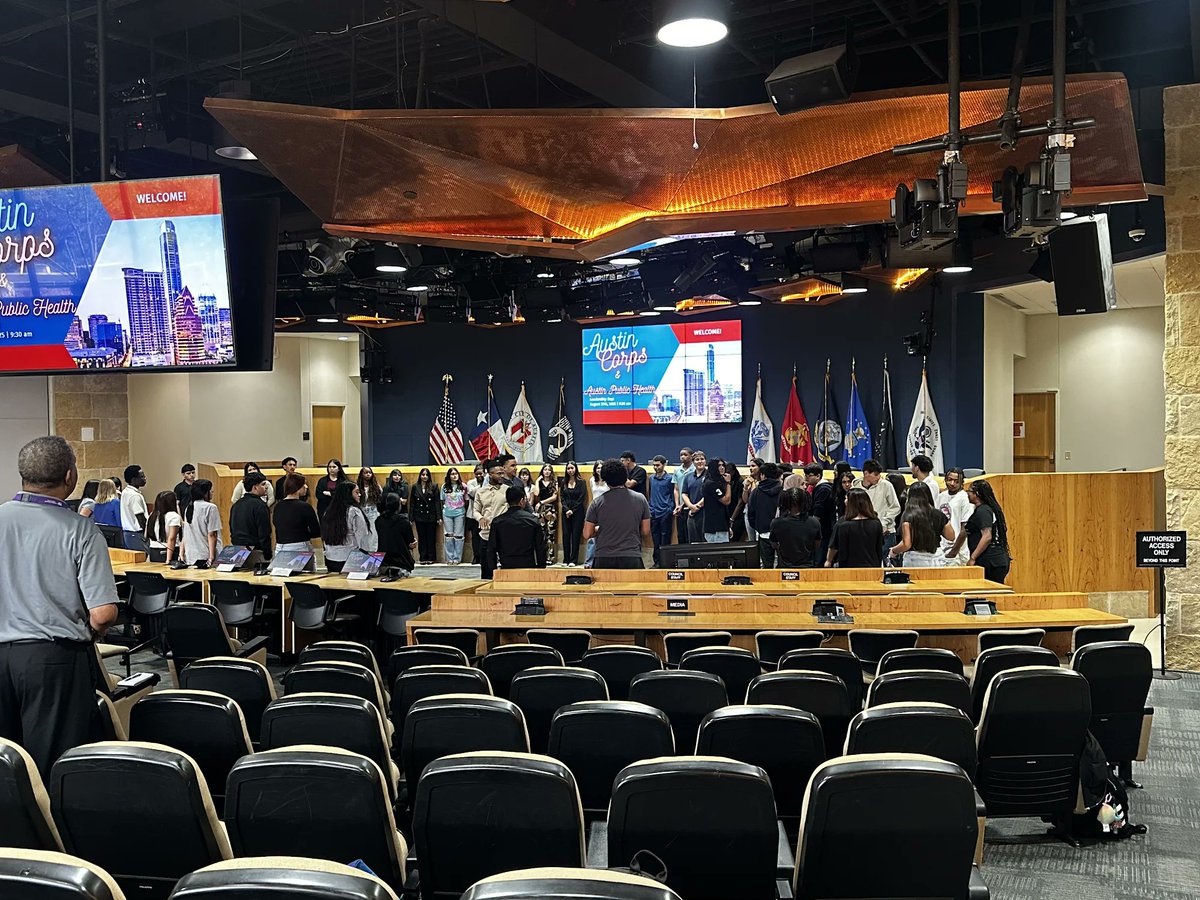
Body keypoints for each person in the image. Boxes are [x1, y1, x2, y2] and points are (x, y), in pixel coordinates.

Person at [0, 436, 119, 775]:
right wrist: (92, 633)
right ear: (70, 476)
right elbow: (103, 613)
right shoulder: (81, 531)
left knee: (6, 762)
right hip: (52, 661)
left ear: (23, 475)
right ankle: (53, 829)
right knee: (53, 764)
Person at [584, 459, 651, 569]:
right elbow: (645, 531)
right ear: (625, 476)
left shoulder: (597, 503)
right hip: (631, 556)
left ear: (605, 480)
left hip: (603, 556)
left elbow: (587, 534)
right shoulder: (641, 499)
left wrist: (600, 529)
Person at [888, 482, 955, 568]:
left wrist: (894, 550)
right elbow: (951, 536)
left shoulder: (908, 515)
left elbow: (906, 544)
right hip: (936, 558)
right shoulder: (939, 514)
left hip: (915, 560)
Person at [958, 480, 1012, 583]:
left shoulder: (983, 511)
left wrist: (973, 558)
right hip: (996, 560)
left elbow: (987, 536)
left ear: (976, 494)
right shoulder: (986, 509)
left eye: (969, 491)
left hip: (990, 562)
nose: (967, 494)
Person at [321, 481, 377, 573]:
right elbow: (362, 537)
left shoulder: (328, 512)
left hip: (330, 558)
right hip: (350, 559)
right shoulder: (354, 511)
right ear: (348, 494)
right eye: (356, 492)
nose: (359, 495)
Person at [488, 485, 547, 570]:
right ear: (522, 501)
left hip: (506, 566)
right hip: (528, 566)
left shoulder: (497, 521)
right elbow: (540, 547)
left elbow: (491, 549)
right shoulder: (533, 520)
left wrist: (493, 571)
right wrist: (541, 567)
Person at [826, 488, 884, 568]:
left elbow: (833, 547)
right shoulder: (876, 523)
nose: (845, 501)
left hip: (848, 568)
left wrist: (828, 561)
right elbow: (879, 546)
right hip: (872, 566)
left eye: (846, 498)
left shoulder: (842, 524)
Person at [473, 458, 511, 578]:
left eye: (502, 473)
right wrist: (480, 518)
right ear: (490, 474)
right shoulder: (480, 492)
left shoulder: (507, 490)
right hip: (485, 534)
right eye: (498, 474)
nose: (501, 476)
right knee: (487, 567)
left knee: (505, 567)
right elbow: (475, 510)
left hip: (503, 534)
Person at [858, 460, 901, 563]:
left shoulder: (886, 485)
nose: (878, 478)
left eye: (879, 475)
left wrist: (884, 522)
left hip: (885, 533)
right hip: (863, 533)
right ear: (866, 473)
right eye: (875, 474)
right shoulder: (856, 487)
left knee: (886, 563)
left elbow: (895, 507)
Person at [770, 487, 823, 568]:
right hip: (807, 567)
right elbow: (817, 545)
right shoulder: (814, 523)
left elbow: (774, 544)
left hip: (784, 568)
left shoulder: (776, 523)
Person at [273, 473, 321, 557]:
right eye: (304, 484)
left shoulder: (278, 506)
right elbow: (316, 531)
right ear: (297, 487)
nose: (306, 487)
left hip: (280, 547)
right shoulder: (305, 507)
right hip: (300, 547)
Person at [747, 462, 783, 568]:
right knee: (782, 565)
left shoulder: (756, 492)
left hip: (763, 533)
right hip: (782, 534)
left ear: (762, 475)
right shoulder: (783, 491)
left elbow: (751, 514)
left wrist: (759, 527)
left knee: (767, 565)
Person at [230, 472, 273, 556]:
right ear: (255, 487)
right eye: (263, 484)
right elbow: (264, 531)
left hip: (237, 549)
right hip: (255, 551)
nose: (266, 487)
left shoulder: (236, 505)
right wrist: (267, 553)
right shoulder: (260, 505)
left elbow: (232, 528)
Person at [182, 479, 223, 566]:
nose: (212, 492)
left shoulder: (188, 508)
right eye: (210, 490)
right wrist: (211, 557)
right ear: (205, 493)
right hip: (205, 554)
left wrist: (182, 553)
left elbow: (186, 533)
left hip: (191, 555)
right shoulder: (211, 507)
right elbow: (212, 534)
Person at [937, 467, 972, 566]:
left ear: (962, 482)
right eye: (950, 480)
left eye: (956, 481)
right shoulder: (941, 496)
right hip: (941, 549)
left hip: (957, 552)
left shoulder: (964, 498)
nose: (952, 483)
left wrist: (953, 552)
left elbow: (965, 528)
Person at [646, 456, 676, 567]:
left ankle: (665, 562)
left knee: (665, 539)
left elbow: (672, 495)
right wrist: (651, 508)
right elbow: (650, 494)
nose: (655, 467)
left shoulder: (669, 479)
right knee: (655, 539)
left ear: (664, 465)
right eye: (654, 465)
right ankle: (656, 562)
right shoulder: (651, 478)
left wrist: (669, 509)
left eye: (658, 465)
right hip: (654, 513)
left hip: (665, 512)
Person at [376, 492, 416, 572]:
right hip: (401, 562)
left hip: (382, 562)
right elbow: (410, 542)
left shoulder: (378, 521)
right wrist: (413, 543)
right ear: (397, 505)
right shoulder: (403, 521)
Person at [804, 463, 837, 560]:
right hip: (822, 530)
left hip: (823, 530)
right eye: (805, 475)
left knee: (820, 559)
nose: (806, 478)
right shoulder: (819, 488)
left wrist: (812, 529)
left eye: (809, 475)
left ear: (818, 476)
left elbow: (818, 511)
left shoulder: (823, 489)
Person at [409, 467, 442, 565]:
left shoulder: (434, 486)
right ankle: (423, 557)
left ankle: (431, 557)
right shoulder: (415, 486)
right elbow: (412, 503)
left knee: (431, 538)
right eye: (423, 475)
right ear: (420, 476)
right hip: (419, 516)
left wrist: (439, 517)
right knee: (422, 538)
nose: (425, 477)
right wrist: (411, 517)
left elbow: (437, 502)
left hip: (431, 516)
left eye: (426, 475)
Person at [559, 461, 587, 567]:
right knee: (566, 535)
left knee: (575, 536)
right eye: (568, 468)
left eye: (572, 468)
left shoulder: (581, 482)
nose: (570, 470)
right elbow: (562, 497)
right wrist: (566, 509)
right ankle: (566, 559)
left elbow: (581, 498)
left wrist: (572, 510)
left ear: (576, 469)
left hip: (578, 512)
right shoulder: (563, 482)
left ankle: (573, 560)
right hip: (566, 513)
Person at [584, 461, 611, 567]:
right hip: (594, 509)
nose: (599, 470)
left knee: (605, 535)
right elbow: (592, 494)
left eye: (601, 468)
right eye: (597, 468)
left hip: (606, 510)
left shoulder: (608, 481)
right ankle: (589, 562)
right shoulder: (592, 480)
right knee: (592, 537)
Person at [144, 491, 182, 562]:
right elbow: (172, 538)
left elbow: (146, 535)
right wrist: (168, 559)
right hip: (169, 551)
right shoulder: (174, 516)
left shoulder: (152, 515)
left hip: (153, 550)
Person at [533, 463, 559, 566]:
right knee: (541, 534)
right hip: (541, 511)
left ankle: (550, 557)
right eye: (545, 469)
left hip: (550, 509)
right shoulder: (539, 482)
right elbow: (536, 494)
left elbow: (554, 497)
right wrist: (537, 481)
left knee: (550, 535)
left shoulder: (554, 482)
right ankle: (541, 557)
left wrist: (541, 502)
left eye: (549, 470)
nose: (547, 471)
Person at [442, 467, 469, 565]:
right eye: (452, 474)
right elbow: (442, 500)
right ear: (449, 476)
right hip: (447, 514)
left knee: (458, 536)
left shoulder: (463, 486)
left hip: (459, 513)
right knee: (449, 536)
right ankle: (450, 558)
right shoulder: (444, 486)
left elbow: (466, 500)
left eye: (456, 473)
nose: (454, 475)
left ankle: (457, 558)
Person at [119, 463, 149, 550]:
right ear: (134, 479)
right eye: (142, 477)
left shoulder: (125, 491)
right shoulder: (134, 496)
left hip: (128, 533)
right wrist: (148, 533)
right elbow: (140, 518)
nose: (145, 478)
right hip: (137, 533)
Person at [702, 458, 733, 542]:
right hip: (715, 528)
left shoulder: (718, 481)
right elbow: (726, 501)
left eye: (723, 465)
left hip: (722, 524)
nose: (722, 468)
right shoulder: (711, 484)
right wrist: (728, 483)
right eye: (719, 466)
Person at [681, 451, 708, 543]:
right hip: (692, 514)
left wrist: (697, 506)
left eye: (702, 459)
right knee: (693, 542)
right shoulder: (688, 477)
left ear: (705, 461)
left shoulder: (709, 476)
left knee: (705, 542)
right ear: (693, 462)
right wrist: (691, 507)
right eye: (697, 460)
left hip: (705, 514)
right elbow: (684, 493)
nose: (700, 461)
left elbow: (709, 494)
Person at [672, 447, 695, 545]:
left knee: (691, 535)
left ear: (691, 456)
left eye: (685, 455)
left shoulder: (695, 470)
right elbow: (676, 489)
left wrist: (684, 504)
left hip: (691, 506)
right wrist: (677, 504)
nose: (682, 457)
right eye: (681, 455)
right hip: (680, 509)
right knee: (681, 535)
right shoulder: (677, 470)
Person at [739, 458, 763, 542]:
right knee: (751, 539)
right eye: (750, 466)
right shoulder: (748, 480)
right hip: (749, 511)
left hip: (761, 512)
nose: (750, 468)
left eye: (753, 466)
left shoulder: (764, 481)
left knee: (760, 538)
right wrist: (745, 488)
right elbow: (745, 500)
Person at [725, 461, 747, 541]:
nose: (727, 475)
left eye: (729, 472)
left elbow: (741, 502)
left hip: (737, 515)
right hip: (727, 513)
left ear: (733, 472)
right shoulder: (725, 482)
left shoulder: (740, 481)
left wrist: (732, 518)